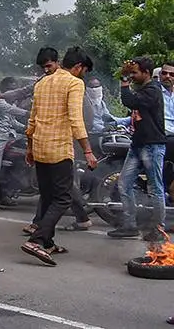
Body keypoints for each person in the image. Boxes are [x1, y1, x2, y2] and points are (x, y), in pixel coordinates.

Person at [21, 47, 98, 266]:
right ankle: (36, 241)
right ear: (78, 67)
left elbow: (32, 120)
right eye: (83, 71)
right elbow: (76, 119)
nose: (83, 75)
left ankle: (47, 243)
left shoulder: (43, 83)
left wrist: (29, 148)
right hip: (59, 150)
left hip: (39, 147)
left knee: (47, 197)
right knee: (63, 197)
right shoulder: (74, 83)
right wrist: (88, 150)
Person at [109, 56, 167, 243]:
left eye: (135, 73)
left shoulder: (152, 90)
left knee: (156, 189)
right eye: (131, 73)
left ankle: (158, 230)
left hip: (152, 145)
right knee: (124, 184)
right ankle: (129, 225)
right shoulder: (145, 89)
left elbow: (130, 101)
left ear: (146, 73)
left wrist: (124, 80)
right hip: (138, 145)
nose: (132, 76)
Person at [0, 77, 30, 207]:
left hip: (9, 137)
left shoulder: (10, 102)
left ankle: (5, 193)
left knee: (20, 162)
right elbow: (12, 111)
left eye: (15, 89)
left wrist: (26, 128)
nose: (14, 92)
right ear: (4, 90)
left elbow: (12, 121)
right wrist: (31, 113)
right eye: (11, 89)